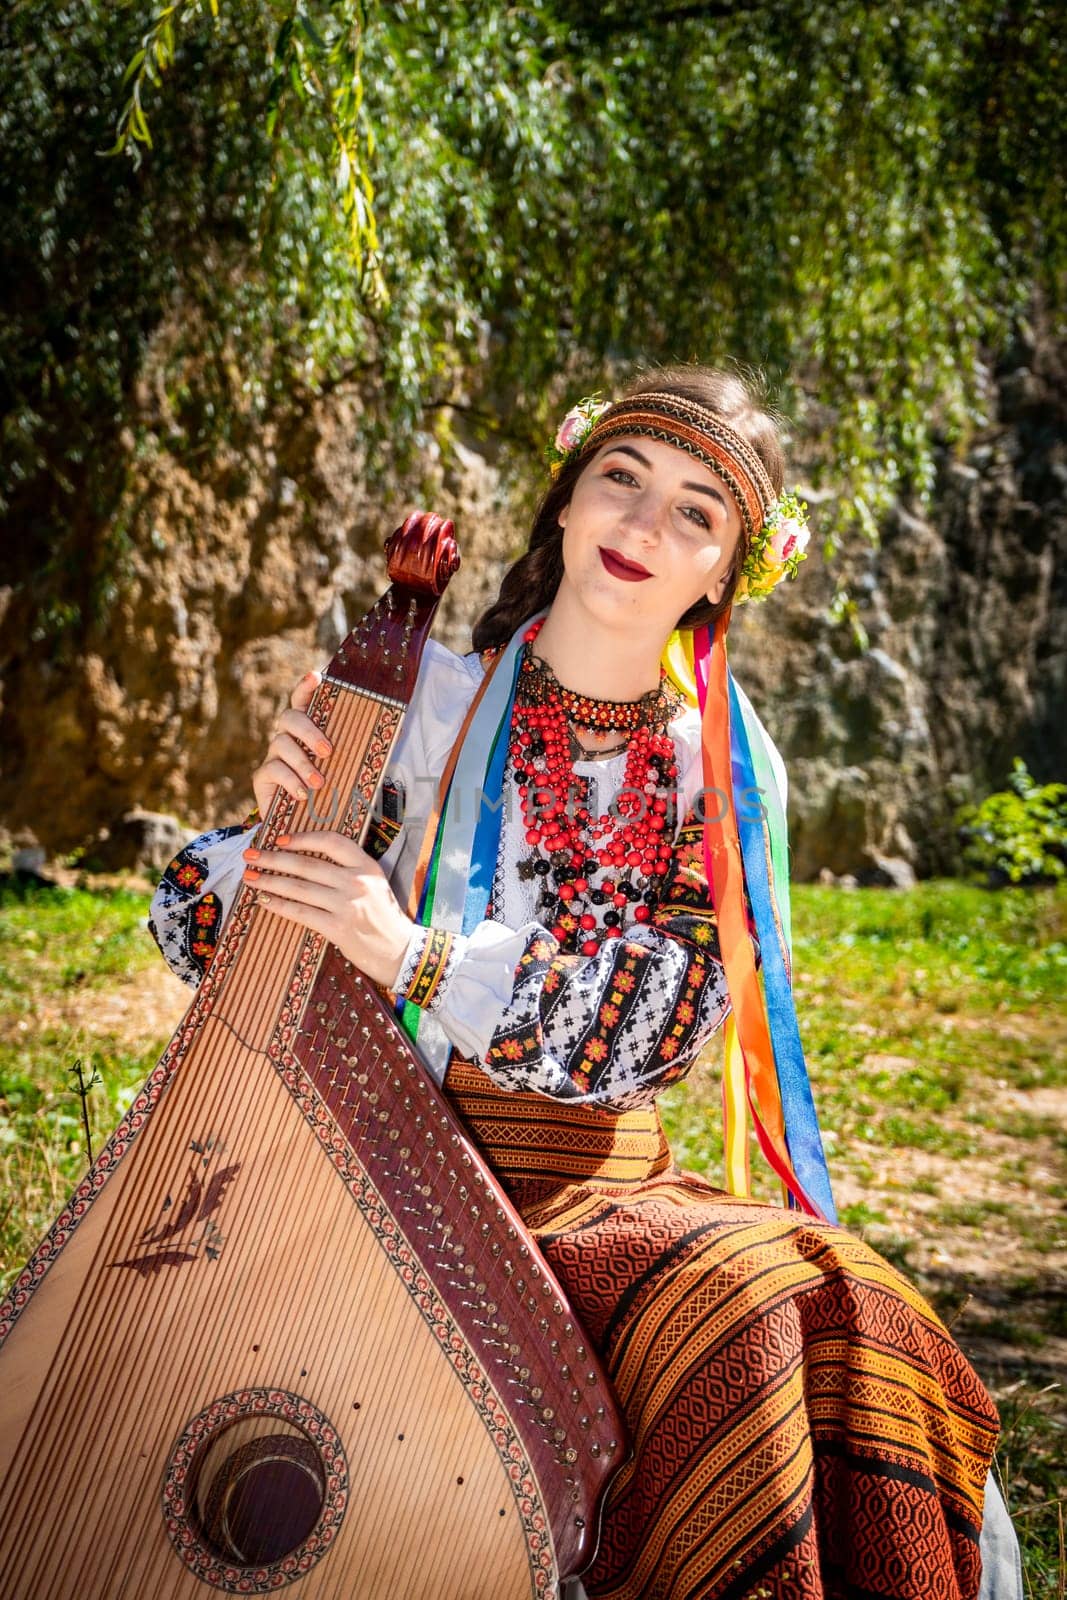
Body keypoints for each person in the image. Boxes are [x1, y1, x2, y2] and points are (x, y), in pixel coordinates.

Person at [149, 368, 1021, 1600]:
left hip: (587, 1181)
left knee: (831, 1304)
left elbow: (656, 1030)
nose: (641, 526)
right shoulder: (422, 698)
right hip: (369, 1162)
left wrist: (412, 950)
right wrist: (280, 819)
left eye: (693, 512)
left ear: (722, 573)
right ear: (564, 503)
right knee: (745, 1308)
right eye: (620, 479)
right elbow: (195, 929)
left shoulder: (717, 763)